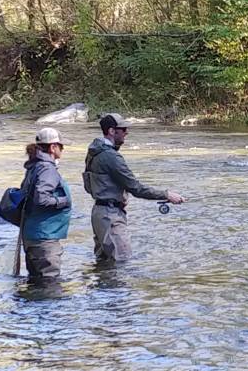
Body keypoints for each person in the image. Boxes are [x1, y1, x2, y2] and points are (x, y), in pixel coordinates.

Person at [84, 113, 184, 263]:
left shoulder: (94, 151)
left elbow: (89, 185)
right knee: (122, 264)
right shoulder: (111, 157)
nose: (126, 132)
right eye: (123, 129)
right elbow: (136, 188)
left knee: (103, 264)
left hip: (99, 214)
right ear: (112, 131)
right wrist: (166, 195)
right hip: (111, 216)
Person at [22, 127, 72, 283]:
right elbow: (41, 199)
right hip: (44, 239)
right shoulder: (47, 169)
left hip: (33, 235)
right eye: (61, 146)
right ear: (53, 147)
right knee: (50, 287)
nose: (62, 150)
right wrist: (64, 201)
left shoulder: (34, 166)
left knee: (36, 285)